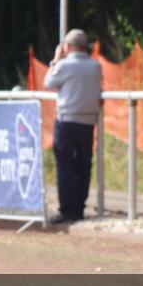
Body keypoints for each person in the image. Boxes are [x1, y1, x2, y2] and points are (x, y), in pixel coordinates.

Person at [44, 29, 102, 225]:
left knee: (65, 165)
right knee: (84, 165)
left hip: (67, 120)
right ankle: (79, 208)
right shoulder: (96, 66)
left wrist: (55, 59)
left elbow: (48, 83)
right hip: (88, 122)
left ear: (67, 47)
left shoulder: (64, 65)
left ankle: (66, 208)